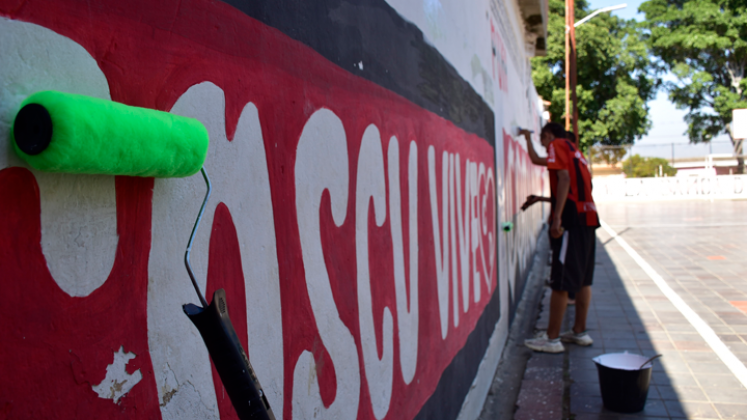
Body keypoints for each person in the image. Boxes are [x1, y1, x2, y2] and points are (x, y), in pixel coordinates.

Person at [519, 122, 600, 353]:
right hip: (588, 217)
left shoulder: (556, 143)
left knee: (560, 281)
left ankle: (552, 339)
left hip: (570, 222)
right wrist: (543, 200)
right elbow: (576, 186)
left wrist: (557, 218)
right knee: (583, 280)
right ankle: (579, 332)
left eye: (543, 142)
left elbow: (563, 179)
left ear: (548, 135)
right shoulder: (575, 151)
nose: (545, 149)